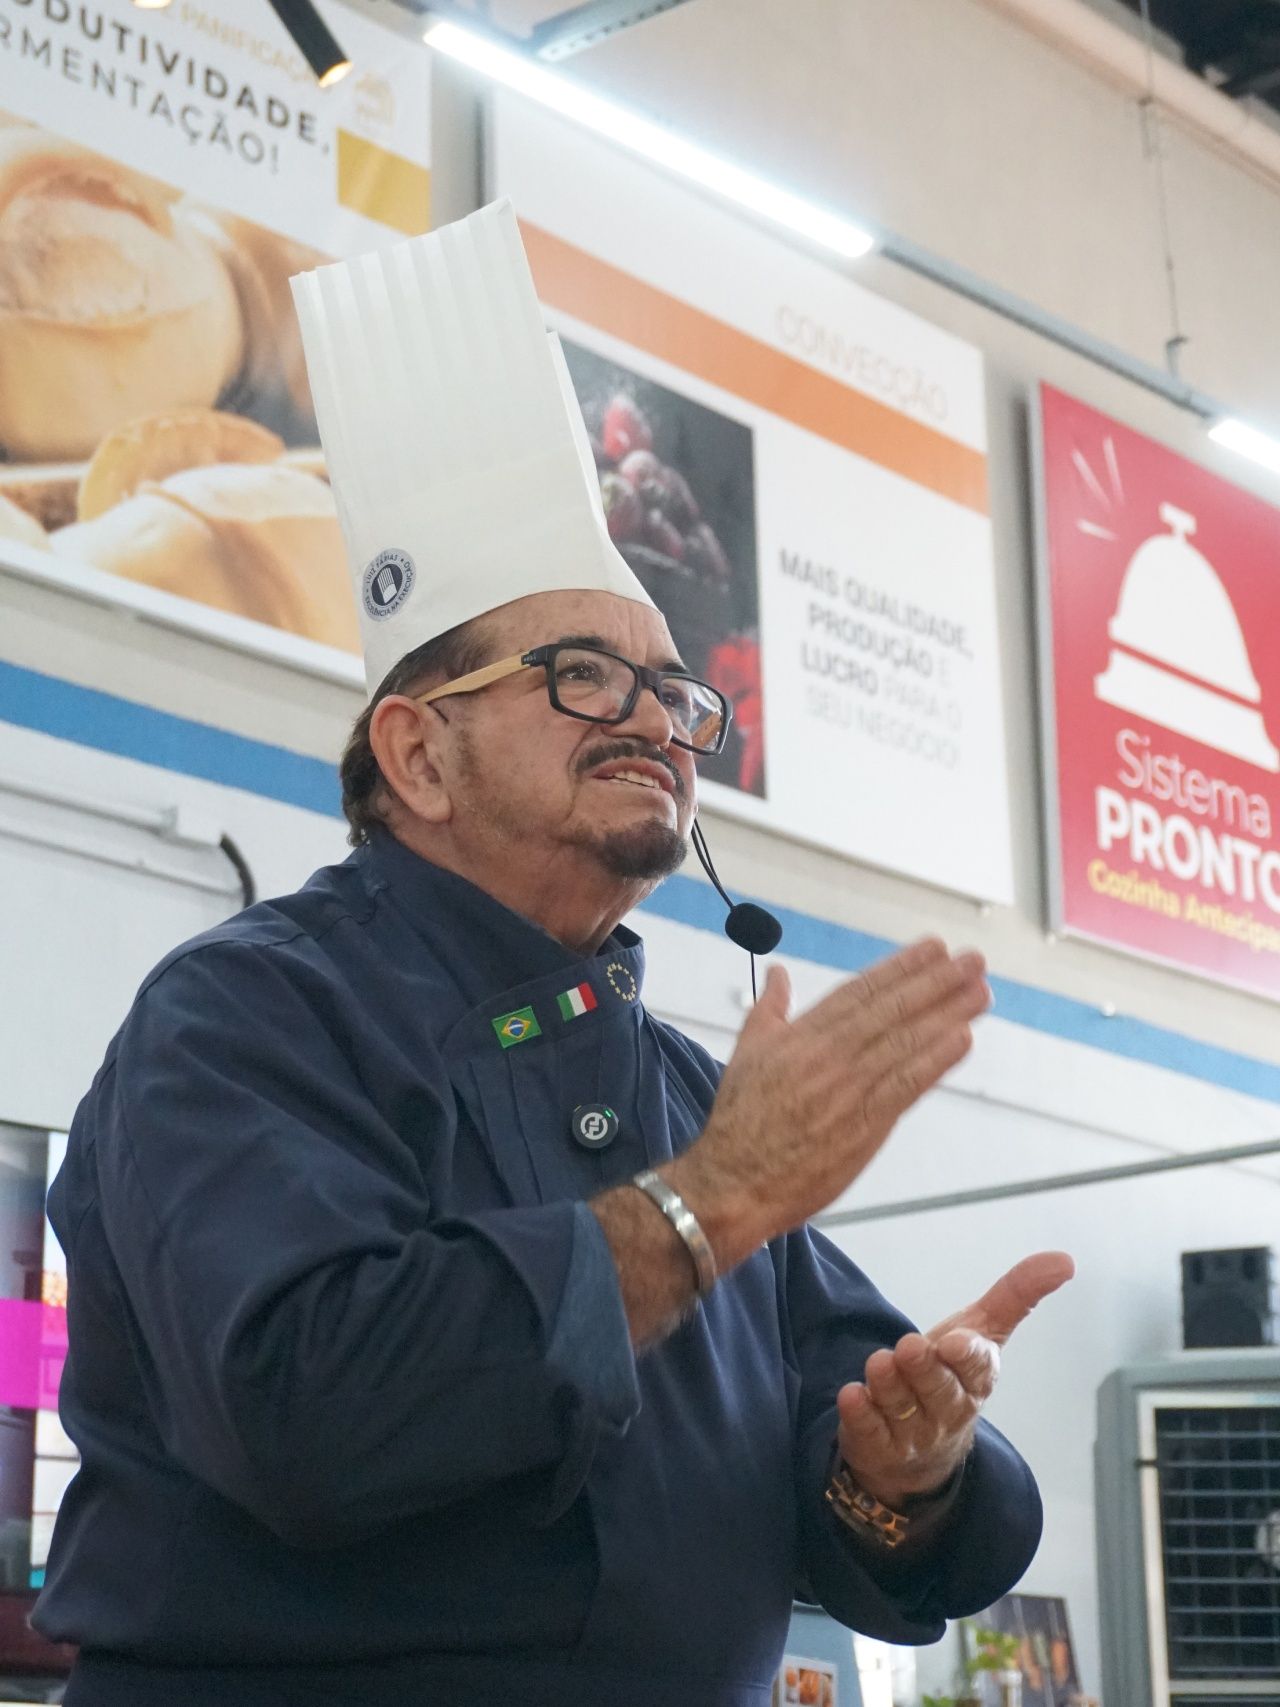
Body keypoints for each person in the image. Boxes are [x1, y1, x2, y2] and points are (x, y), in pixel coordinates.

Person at [34, 203, 1072, 1706]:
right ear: (419, 752)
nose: (658, 719)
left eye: (671, 690)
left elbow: (857, 1493)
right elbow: (312, 1414)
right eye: (585, 676)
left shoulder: (691, 1097)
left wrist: (901, 1471)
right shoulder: (245, 1018)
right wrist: (708, 1202)